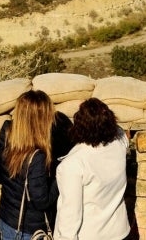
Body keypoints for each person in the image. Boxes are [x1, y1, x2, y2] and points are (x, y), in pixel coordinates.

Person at [53, 98, 130, 240]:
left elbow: (70, 213)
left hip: (90, 234)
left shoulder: (73, 164)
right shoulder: (119, 142)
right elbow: (121, 133)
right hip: (119, 231)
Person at [0, 90, 58, 240]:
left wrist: (12, 182)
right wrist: (59, 178)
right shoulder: (38, 157)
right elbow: (41, 201)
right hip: (28, 229)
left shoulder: (7, 132)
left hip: (6, 218)